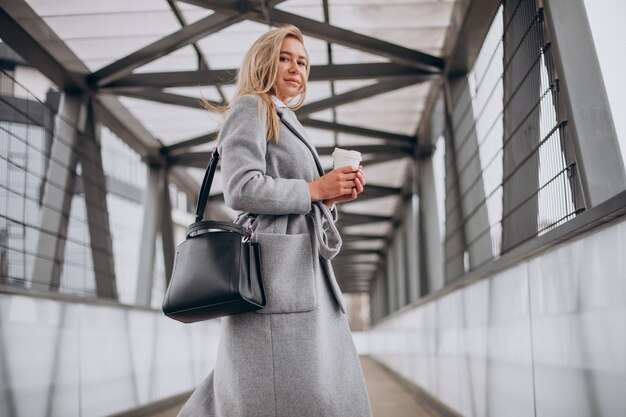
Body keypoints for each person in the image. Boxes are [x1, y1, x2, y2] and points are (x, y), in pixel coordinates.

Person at [178, 25, 372, 417]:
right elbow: (240, 188)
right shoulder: (251, 106)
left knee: (293, 386)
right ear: (264, 61)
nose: (295, 68)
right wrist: (314, 190)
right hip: (276, 272)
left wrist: (330, 196)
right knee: (282, 390)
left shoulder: (284, 116)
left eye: (302, 61)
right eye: (284, 58)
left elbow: (302, 193)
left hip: (297, 267)